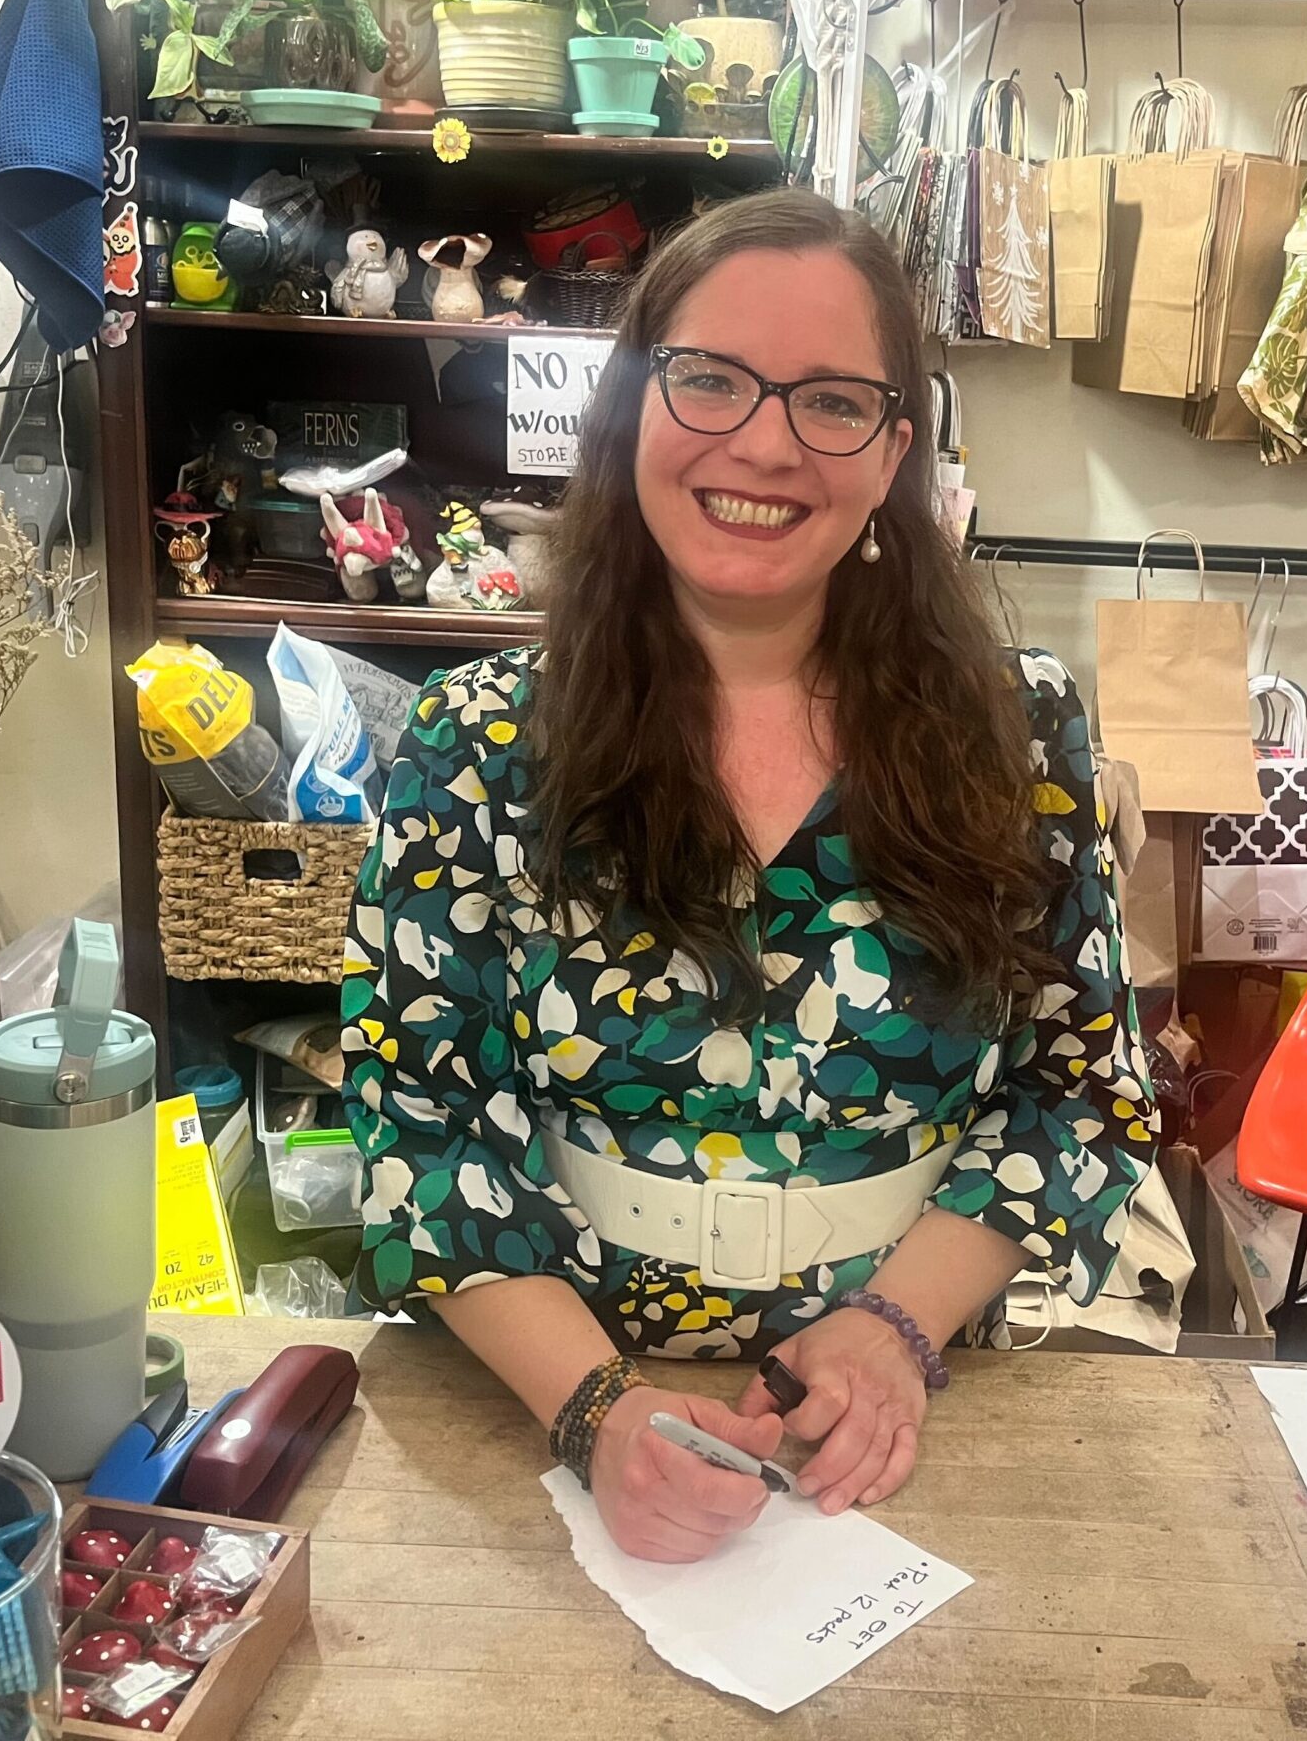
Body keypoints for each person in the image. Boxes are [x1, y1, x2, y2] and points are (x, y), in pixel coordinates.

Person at [342, 188, 1154, 1564]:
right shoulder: (479, 741)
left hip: (915, 1420)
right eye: (710, 380)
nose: (764, 445)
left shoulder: (1017, 738)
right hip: (548, 1411)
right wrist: (592, 1406)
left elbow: (1078, 1089)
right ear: (633, 407)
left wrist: (893, 1335)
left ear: (898, 446)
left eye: (833, 402)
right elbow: (421, 1123)